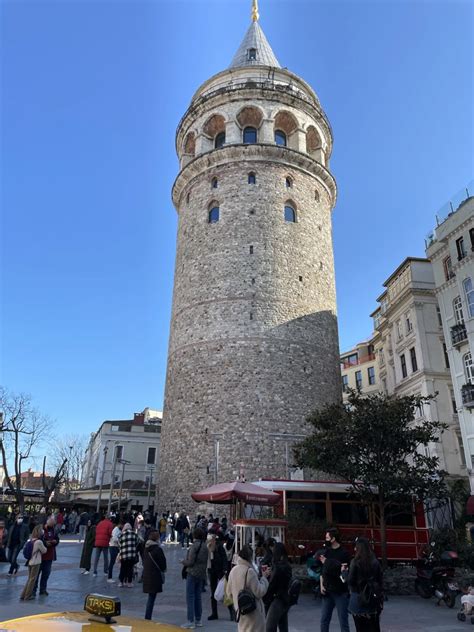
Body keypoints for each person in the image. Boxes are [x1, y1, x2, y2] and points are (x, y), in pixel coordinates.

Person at [227, 544, 270, 632]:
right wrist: (264, 578)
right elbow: (259, 592)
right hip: (253, 612)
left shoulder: (233, 570)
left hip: (240, 610)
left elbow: (228, 593)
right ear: (250, 557)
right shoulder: (249, 571)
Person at [348, 537, 383, 632]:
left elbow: (350, 581)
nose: (354, 549)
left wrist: (344, 574)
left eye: (355, 547)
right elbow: (380, 581)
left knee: (359, 628)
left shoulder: (355, 562)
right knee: (374, 627)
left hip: (358, 598)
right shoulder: (375, 562)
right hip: (372, 598)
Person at [320, 528, 351, 632]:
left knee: (343, 622)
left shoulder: (344, 553)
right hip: (327, 591)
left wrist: (329, 563)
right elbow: (322, 571)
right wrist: (321, 585)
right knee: (324, 620)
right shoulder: (326, 552)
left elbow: (344, 572)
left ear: (333, 539)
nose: (325, 539)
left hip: (340, 591)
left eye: (327, 537)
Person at [180, 527, 208, 629]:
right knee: (198, 597)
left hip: (192, 573)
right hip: (201, 574)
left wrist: (183, 561)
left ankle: (190, 620)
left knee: (190, 597)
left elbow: (190, 562)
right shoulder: (205, 546)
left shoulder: (194, 546)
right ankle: (198, 619)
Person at [264, 542, 292, 632]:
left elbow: (272, 586)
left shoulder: (278, 568)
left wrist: (265, 598)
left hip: (277, 599)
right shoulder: (287, 565)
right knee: (283, 626)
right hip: (285, 599)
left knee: (270, 627)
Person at [142, 529, 167, 620]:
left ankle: (147, 616)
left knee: (151, 597)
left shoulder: (146, 547)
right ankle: (147, 617)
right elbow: (163, 565)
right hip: (155, 576)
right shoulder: (157, 549)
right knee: (151, 598)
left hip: (147, 574)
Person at [33, 516, 59, 596]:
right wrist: (45, 543)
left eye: (53, 523)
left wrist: (55, 541)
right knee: (36, 574)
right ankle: (33, 590)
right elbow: (36, 539)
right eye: (51, 522)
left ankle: (43, 590)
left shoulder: (54, 530)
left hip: (49, 556)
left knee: (46, 574)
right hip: (40, 556)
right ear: (47, 521)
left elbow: (57, 539)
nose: (52, 524)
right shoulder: (41, 529)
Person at [20, 525, 47, 601]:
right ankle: (27, 596)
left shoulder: (31, 540)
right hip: (36, 562)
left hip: (30, 561)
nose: (43, 531)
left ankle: (23, 595)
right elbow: (44, 550)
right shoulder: (39, 542)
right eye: (41, 530)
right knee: (32, 579)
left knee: (29, 579)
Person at [207, 532, 227, 621]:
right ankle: (214, 613)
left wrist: (224, 569)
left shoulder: (219, 547)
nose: (210, 540)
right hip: (212, 572)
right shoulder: (208, 547)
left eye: (211, 538)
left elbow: (224, 558)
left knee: (225, 592)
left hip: (219, 571)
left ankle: (231, 611)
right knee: (213, 593)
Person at [119, 522, 138, 587]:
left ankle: (121, 582)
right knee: (130, 568)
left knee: (123, 568)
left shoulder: (121, 534)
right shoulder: (134, 534)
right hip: (131, 554)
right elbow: (137, 542)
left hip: (123, 554)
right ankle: (129, 582)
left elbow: (119, 543)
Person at [107, 517, 123, 583]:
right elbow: (115, 538)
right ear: (120, 524)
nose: (122, 526)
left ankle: (119, 576)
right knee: (112, 562)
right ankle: (109, 577)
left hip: (116, 547)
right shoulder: (116, 530)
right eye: (122, 525)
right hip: (113, 546)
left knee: (118, 561)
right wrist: (120, 541)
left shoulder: (119, 530)